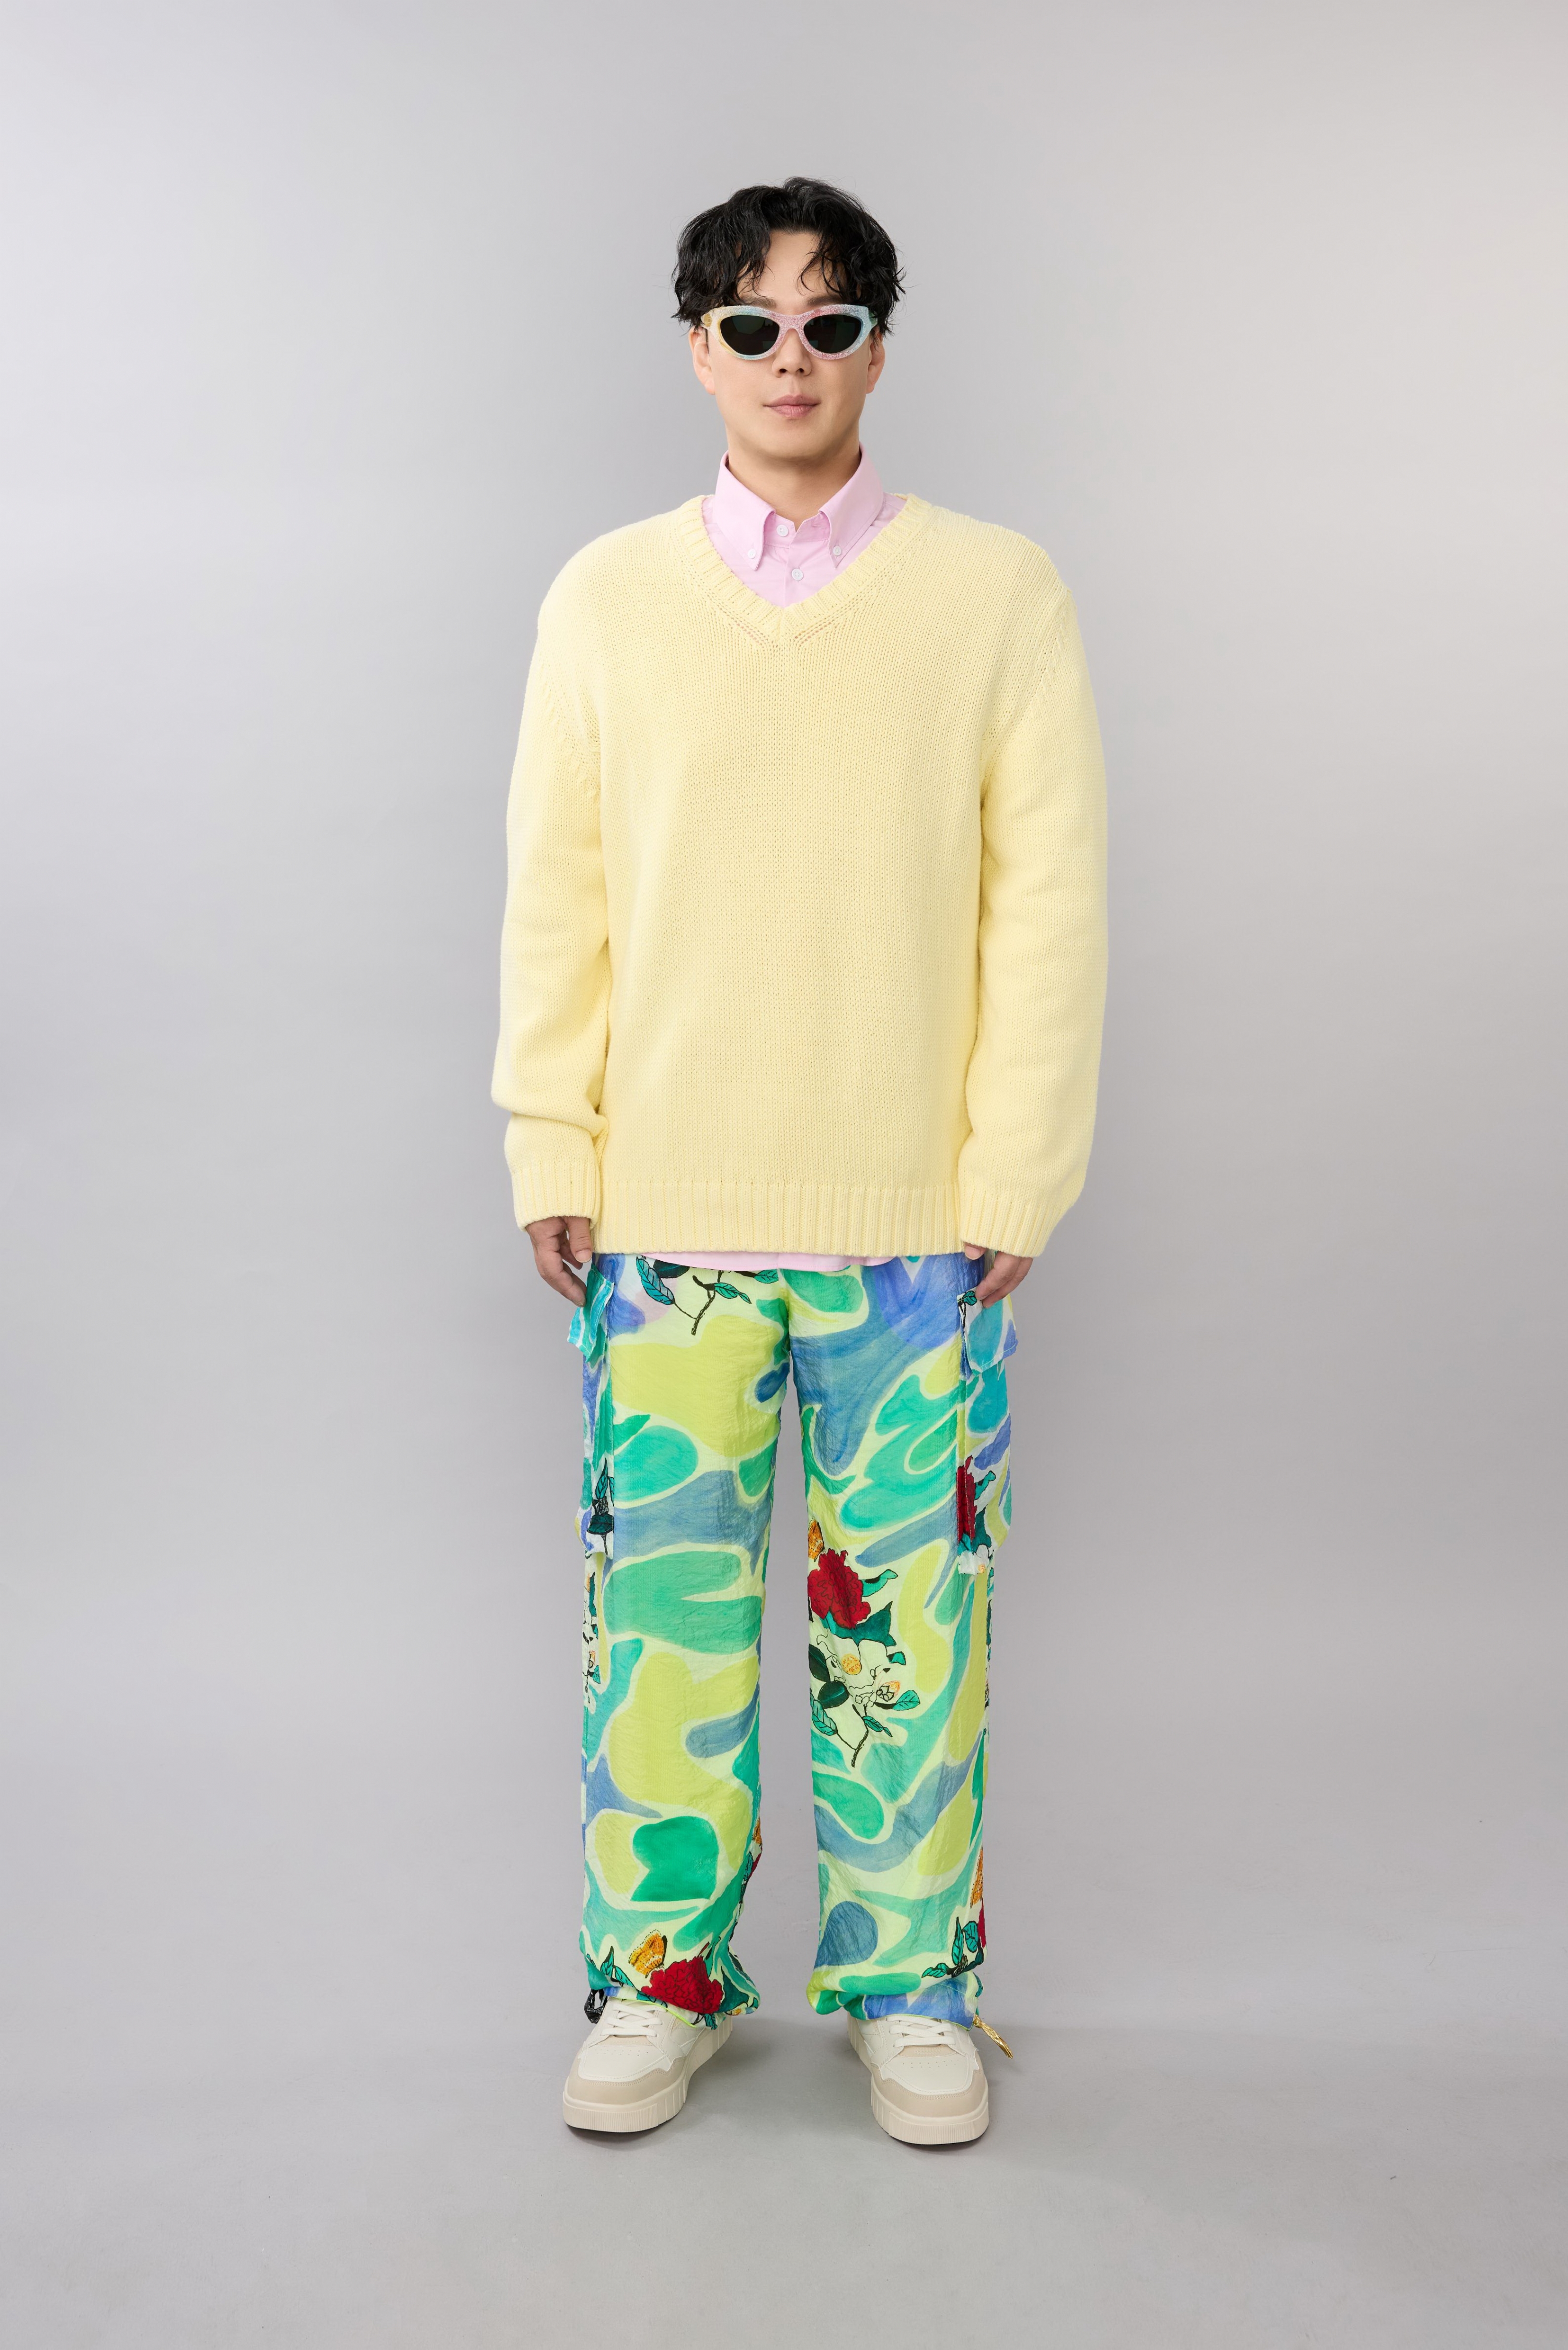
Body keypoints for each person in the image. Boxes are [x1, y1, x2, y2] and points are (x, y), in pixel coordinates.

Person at [491, 176, 1108, 2145]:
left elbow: (1049, 909)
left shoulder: (996, 594)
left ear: (878, 351)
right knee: (660, 1636)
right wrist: (549, 1130)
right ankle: (656, 1985)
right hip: (665, 1220)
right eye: (750, 325)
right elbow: (559, 894)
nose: (789, 359)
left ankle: (914, 1992)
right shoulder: (605, 598)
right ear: (698, 349)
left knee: (912, 1630)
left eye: (829, 324)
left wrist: (1016, 1170)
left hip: (914, 1231)